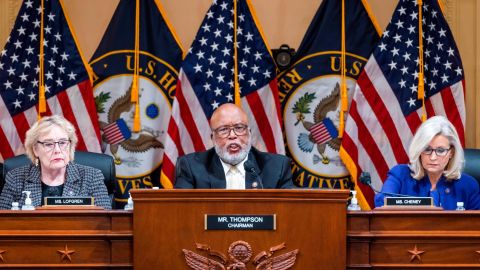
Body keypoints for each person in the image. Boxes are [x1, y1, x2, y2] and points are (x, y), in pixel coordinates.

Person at [0, 115, 112, 209]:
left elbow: (105, 223)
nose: (57, 150)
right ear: (35, 149)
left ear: (70, 145)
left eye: (62, 143)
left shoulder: (92, 177)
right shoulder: (15, 178)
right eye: (49, 144)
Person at [174, 103, 293, 189]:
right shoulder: (191, 167)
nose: (232, 135)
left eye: (239, 128)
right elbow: (182, 212)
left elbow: (287, 212)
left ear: (249, 133)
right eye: (224, 130)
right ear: (213, 138)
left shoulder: (277, 167)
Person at [375, 116, 480, 210]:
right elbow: (381, 203)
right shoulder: (400, 175)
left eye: (440, 150)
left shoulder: (468, 185)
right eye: (427, 149)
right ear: (419, 150)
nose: (433, 157)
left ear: (451, 153)